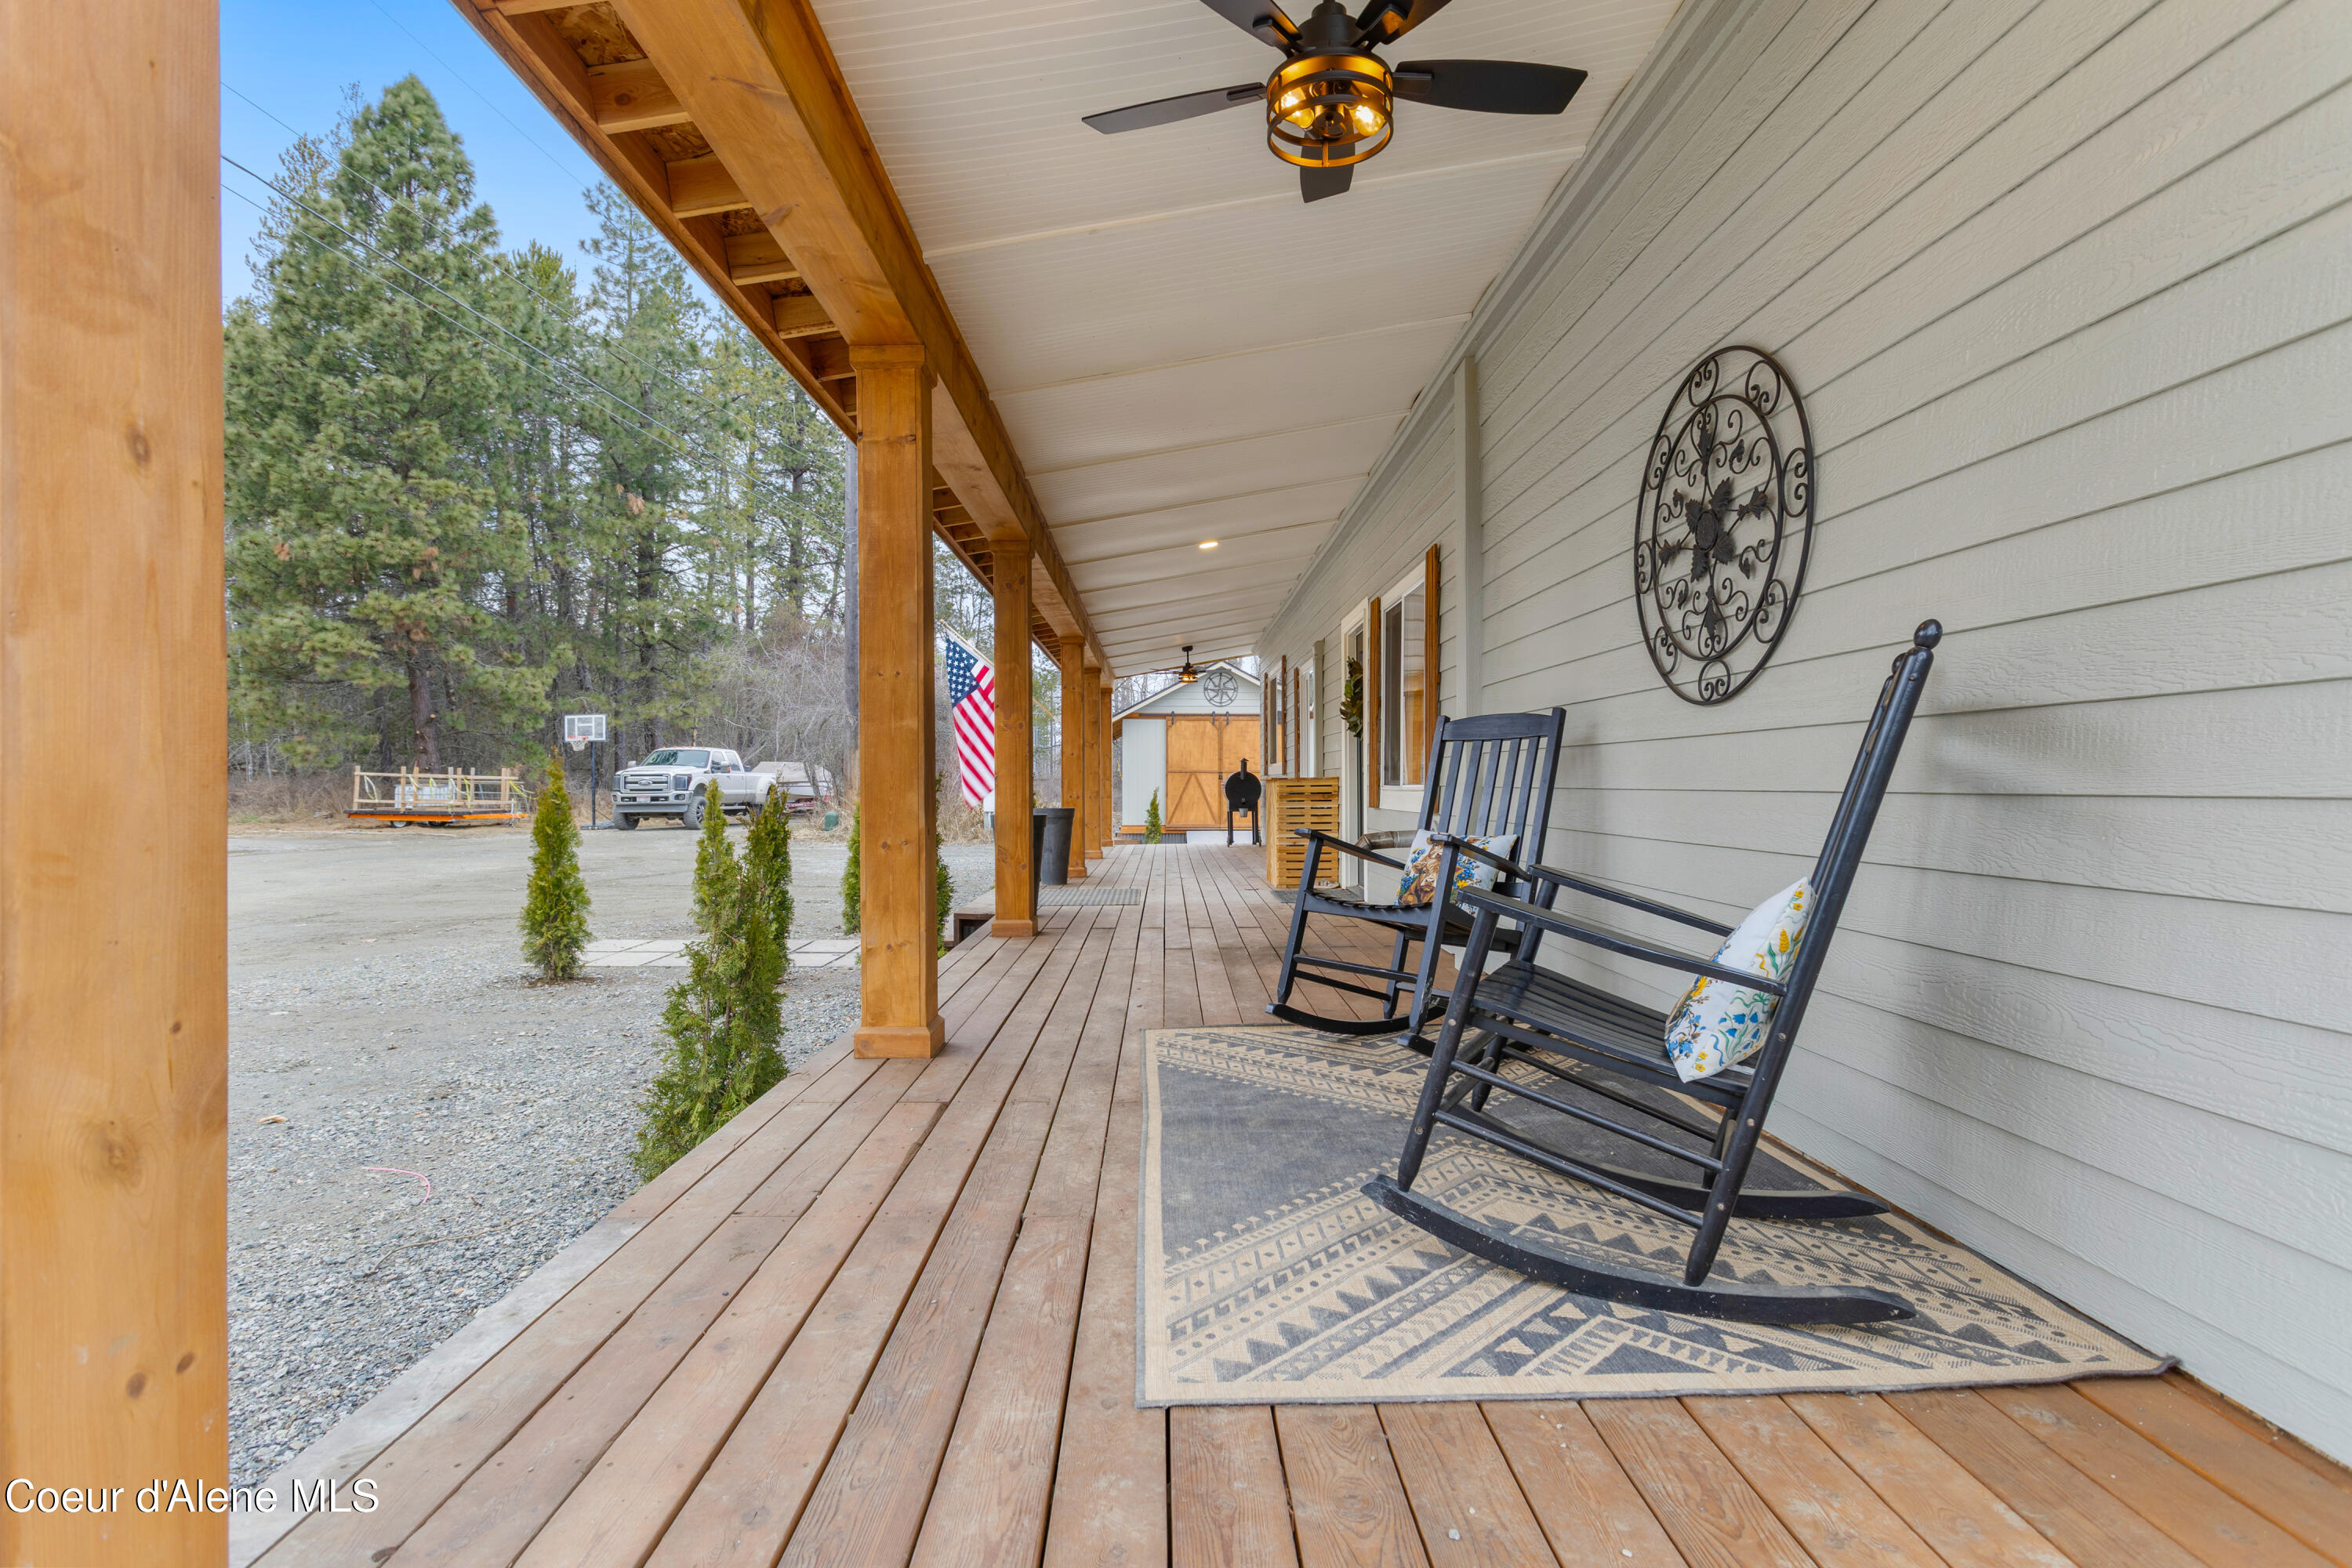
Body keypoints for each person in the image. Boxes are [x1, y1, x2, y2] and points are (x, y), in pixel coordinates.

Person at [1223, 759, 1263, 846]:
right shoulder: (1236, 782)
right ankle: (1255, 838)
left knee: (1253, 813)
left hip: (1244, 800)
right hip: (1247, 800)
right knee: (1254, 814)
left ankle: (1254, 839)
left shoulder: (1249, 782)